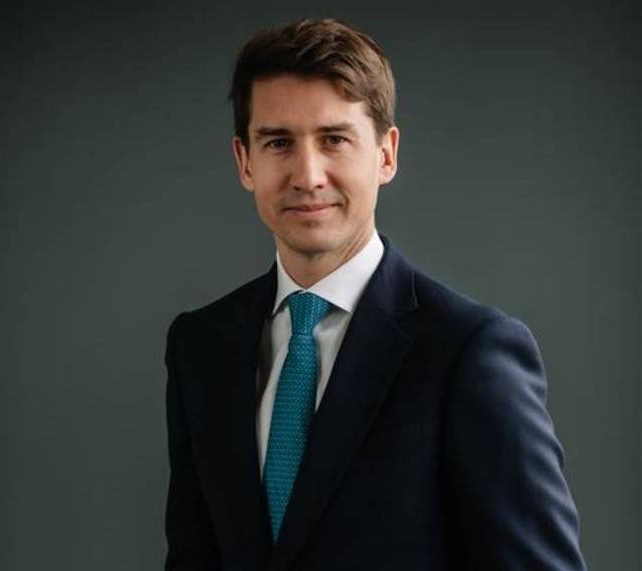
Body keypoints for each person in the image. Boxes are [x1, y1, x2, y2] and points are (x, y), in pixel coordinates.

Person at [163, 18, 587, 571]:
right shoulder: (201, 347)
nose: (308, 175)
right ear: (245, 162)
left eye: (334, 139)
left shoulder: (468, 352)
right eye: (279, 142)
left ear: (386, 154)